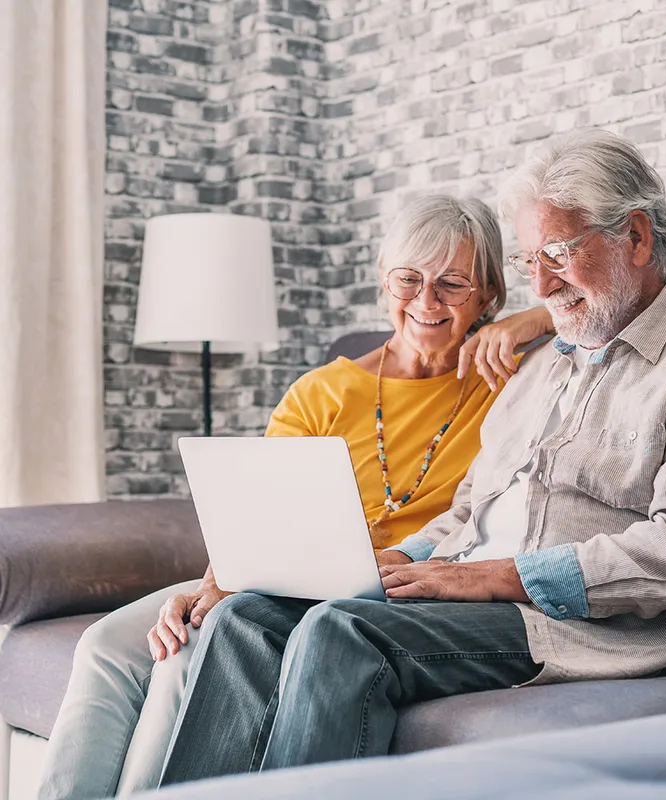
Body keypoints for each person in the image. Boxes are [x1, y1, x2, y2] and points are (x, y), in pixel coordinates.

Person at [156, 128, 666, 788]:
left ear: (636, 237)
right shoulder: (541, 370)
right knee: (244, 617)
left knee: (342, 631)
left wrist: (499, 576)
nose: (541, 285)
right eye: (528, 263)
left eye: (558, 255)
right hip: (467, 592)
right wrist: (409, 559)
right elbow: (466, 513)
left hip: (567, 624)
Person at [37, 195, 554, 800]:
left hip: (396, 588)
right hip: (285, 577)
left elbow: (599, 319)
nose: (426, 302)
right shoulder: (322, 391)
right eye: (408, 280)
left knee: (184, 658)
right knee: (108, 645)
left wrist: (535, 317)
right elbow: (253, 517)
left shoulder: (515, 378)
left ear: (488, 294)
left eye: (452, 284)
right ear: (385, 282)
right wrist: (211, 586)